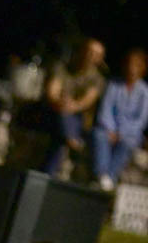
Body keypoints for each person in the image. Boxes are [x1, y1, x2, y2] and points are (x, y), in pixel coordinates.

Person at [40, 38, 107, 179]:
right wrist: (62, 103)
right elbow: (52, 92)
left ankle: (47, 174)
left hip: (76, 119)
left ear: (100, 59)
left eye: (96, 54)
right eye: (89, 51)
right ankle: (72, 142)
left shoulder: (97, 79)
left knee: (58, 138)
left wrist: (71, 106)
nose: (91, 56)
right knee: (60, 115)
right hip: (53, 112)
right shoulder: (61, 67)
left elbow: (86, 101)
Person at [91, 48, 148, 191]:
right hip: (108, 128)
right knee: (99, 135)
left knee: (128, 143)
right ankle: (102, 175)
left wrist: (121, 132)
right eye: (130, 64)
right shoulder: (114, 85)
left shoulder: (146, 93)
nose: (132, 68)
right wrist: (111, 129)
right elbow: (105, 109)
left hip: (129, 133)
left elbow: (141, 121)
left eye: (136, 65)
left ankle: (110, 176)